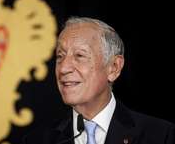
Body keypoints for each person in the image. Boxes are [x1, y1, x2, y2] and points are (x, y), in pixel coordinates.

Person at [22, 17, 175, 144]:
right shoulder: (37, 140)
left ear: (114, 67)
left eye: (79, 56)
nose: (63, 68)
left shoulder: (160, 136)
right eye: (60, 56)